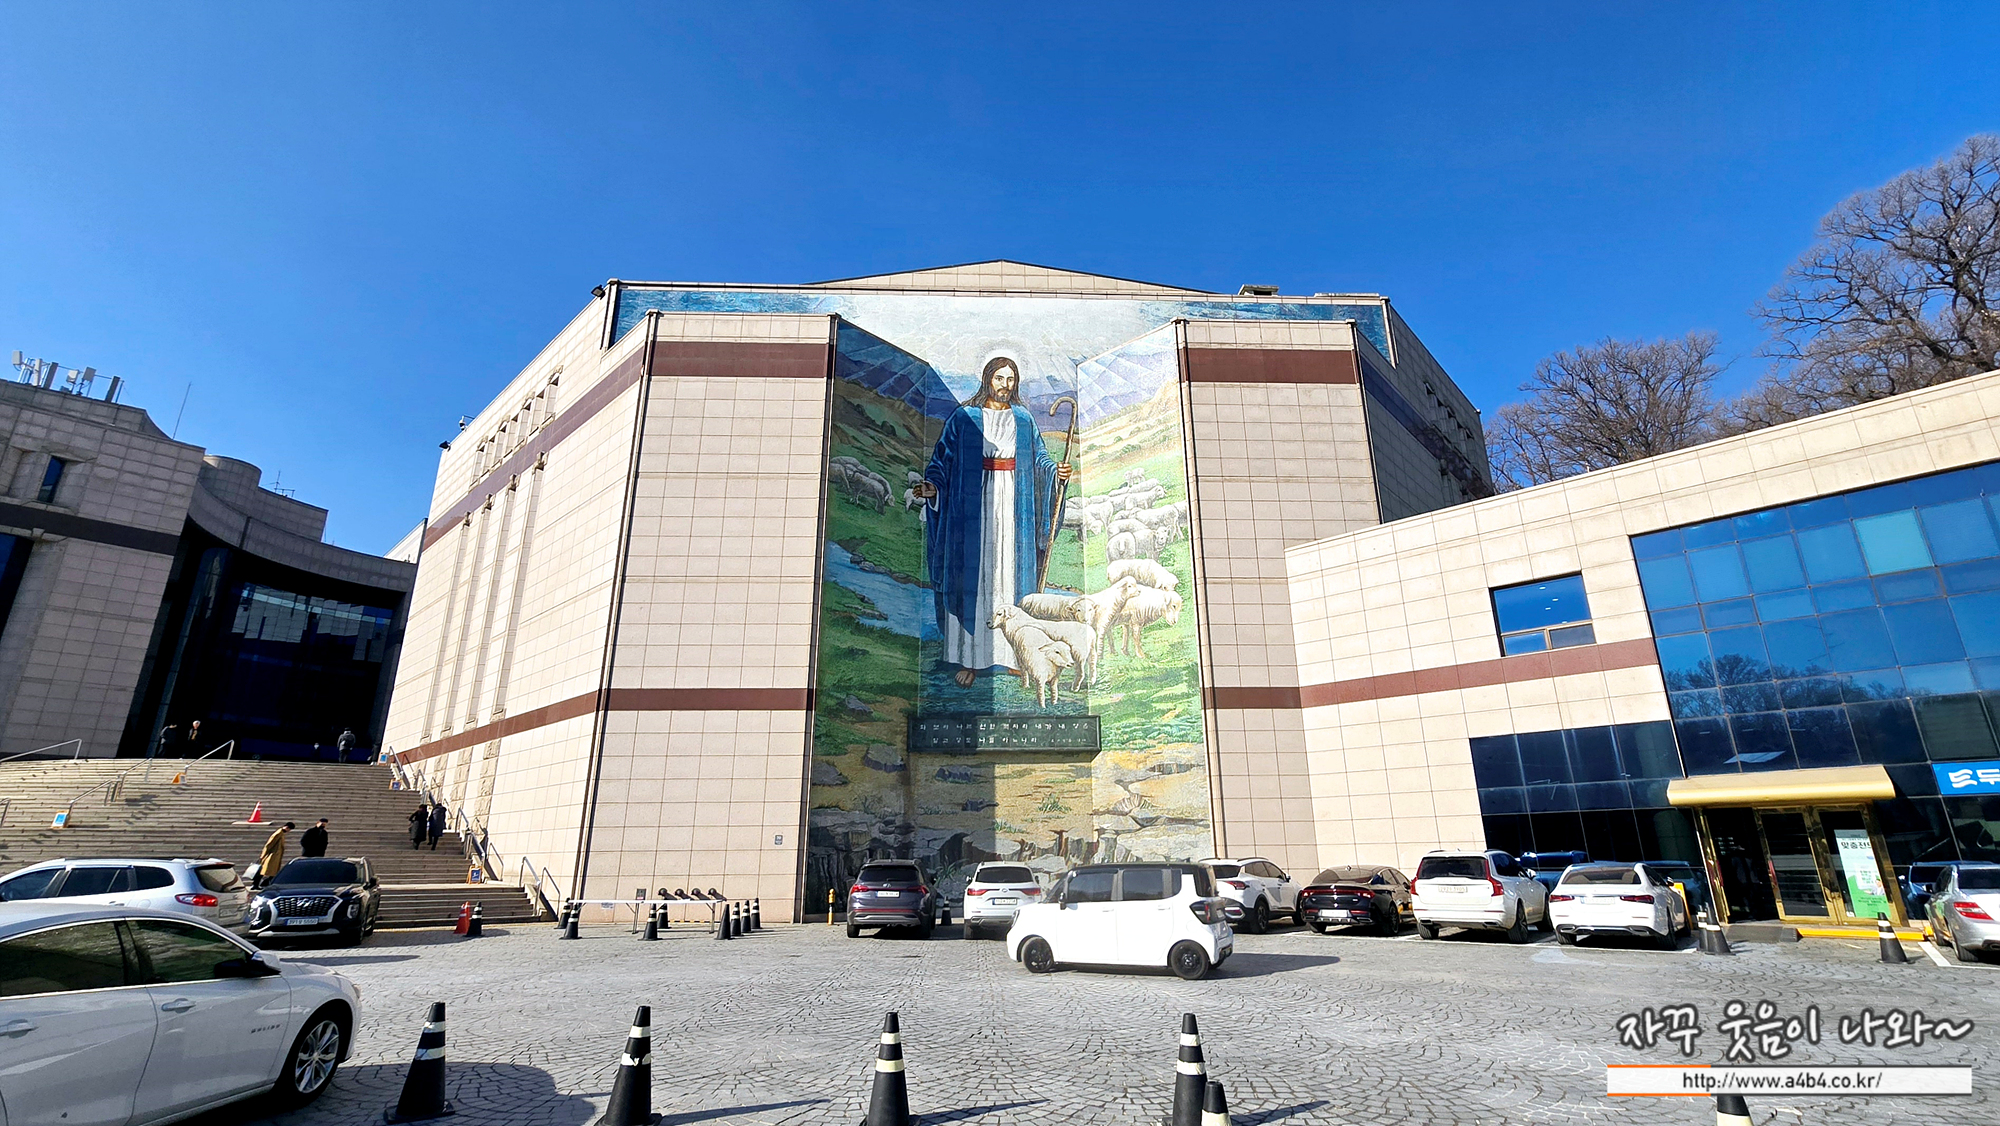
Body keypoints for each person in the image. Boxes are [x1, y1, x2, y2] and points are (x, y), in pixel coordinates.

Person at [910, 355, 1072, 687]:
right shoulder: (964, 417)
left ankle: (1015, 657)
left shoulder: (1024, 419)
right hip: (973, 508)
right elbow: (942, 461)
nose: (1005, 385)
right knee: (977, 576)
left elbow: (1040, 459)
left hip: (1014, 505)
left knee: (1009, 574)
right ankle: (970, 659)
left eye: (1011, 379)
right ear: (988, 379)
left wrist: (1056, 473)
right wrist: (934, 487)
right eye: (1000, 378)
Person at [255, 821, 295, 889]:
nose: (289, 831)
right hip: (272, 855)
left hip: (275, 856)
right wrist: (263, 855)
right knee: (264, 870)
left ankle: (264, 883)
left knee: (271, 871)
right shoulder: (278, 833)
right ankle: (257, 884)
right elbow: (269, 845)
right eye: (289, 829)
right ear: (287, 827)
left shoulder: (281, 833)